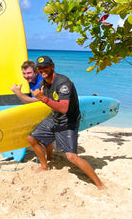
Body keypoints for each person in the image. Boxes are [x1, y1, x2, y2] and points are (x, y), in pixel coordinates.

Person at [27, 55, 105, 189]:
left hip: (69, 121)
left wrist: (43, 98)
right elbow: (38, 99)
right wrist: (19, 94)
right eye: (39, 68)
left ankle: (100, 184)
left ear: (52, 66)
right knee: (32, 139)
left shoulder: (63, 83)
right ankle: (44, 166)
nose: (42, 70)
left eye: (45, 66)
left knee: (72, 157)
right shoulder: (43, 84)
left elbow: (63, 108)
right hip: (54, 118)